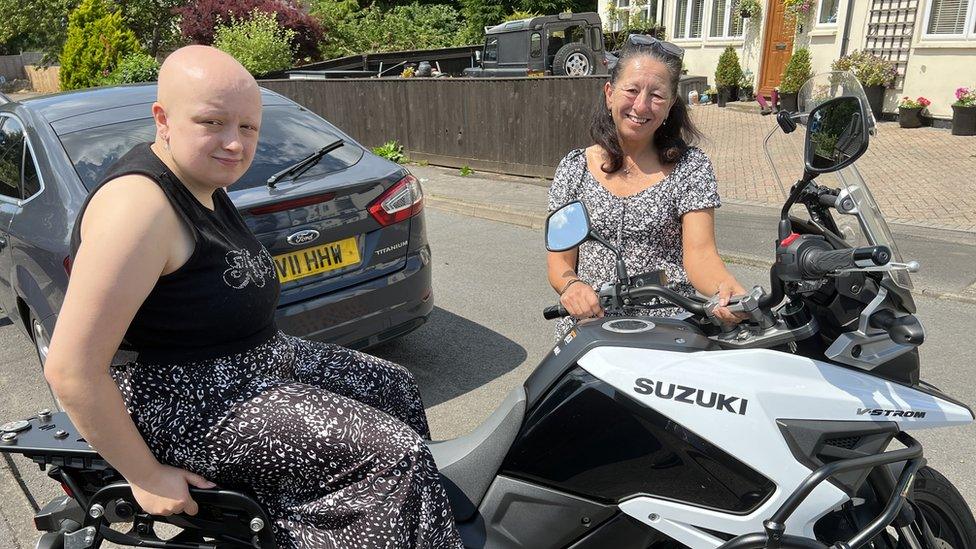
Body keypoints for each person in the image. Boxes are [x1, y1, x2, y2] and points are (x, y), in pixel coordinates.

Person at [44, 46, 463, 549]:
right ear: (163, 120)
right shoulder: (137, 209)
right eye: (213, 122)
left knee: (395, 385)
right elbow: (71, 369)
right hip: (185, 397)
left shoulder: (201, 181)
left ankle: (421, 522)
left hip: (254, 364)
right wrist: (147, 477)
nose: (234, 143)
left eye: (248, 128)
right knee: (394, 457)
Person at [547, 35, 746, 338]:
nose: (641, 105)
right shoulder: (574, 168)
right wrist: (572, 286)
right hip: (589, 331)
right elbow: (560, 260)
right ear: (609, 93)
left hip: (668, 331)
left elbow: (702, 255)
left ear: (669, 107)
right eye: (631, 90)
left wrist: (728, 291)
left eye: (656, 95)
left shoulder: (690, 167)